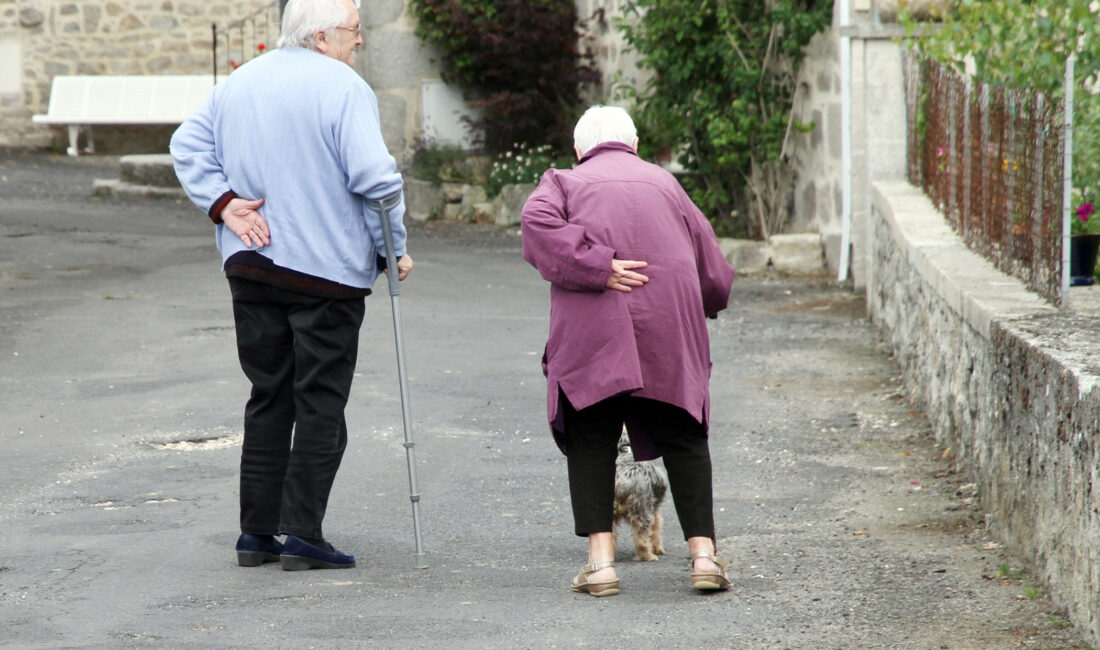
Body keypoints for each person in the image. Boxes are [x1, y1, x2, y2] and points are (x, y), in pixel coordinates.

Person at [170, 0, 412, 571]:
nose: (360, 42)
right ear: (325, 35)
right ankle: (303, 534)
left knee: (269, 396)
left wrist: (223, 204)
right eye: (355, 31)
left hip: (251, 265)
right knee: (321, 404)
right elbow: (377, 181)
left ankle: (256, 535)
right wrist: (392, 247)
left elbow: (186, 144)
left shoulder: (240, 80)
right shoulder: (344, 87)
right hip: (324, 272)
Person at [521, 105, 735, 596]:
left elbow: (535, 223)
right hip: (668, 325)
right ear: (634, 145)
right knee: (684, 434)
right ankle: (704, 558)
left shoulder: (563, 182)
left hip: (594, 327)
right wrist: (708, 299)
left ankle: (601, 565)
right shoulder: (666, 183)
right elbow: (713, 266)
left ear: (580, 149)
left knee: (592, 434)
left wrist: (596, 265)